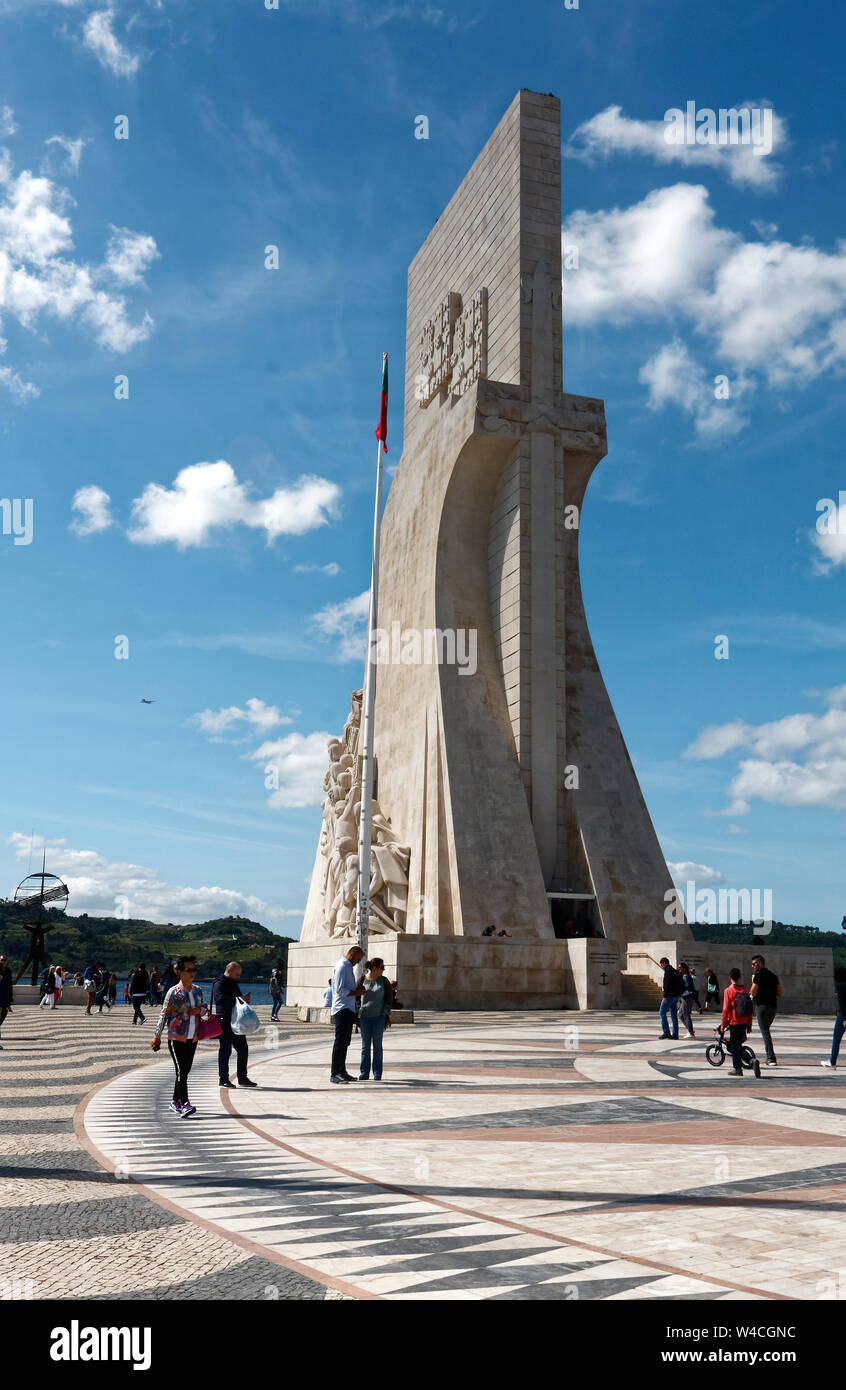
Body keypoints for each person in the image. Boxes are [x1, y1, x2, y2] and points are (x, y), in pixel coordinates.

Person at [150, 955, 206, 1117]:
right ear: (180, 972)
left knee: (185, 1071)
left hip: (192, 1038)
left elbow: (205, 1014)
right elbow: (163, 1015)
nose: (192, 973)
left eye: (194, 970)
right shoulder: (173, 992)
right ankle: (185, 1103)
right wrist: (157, 1036)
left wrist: (200, 1011)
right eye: (189, 970)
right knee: (182, 1071)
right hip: (176, 1038)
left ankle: (175, 1101)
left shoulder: (198, 991)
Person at [212, 961, 257, 1089]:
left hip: (236, 1021)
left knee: (243, 1049)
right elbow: (219, 999)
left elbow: (237, 999)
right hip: (224, 1021)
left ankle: (242, 1077)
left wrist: (244, 1000)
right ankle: (223, 1079)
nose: (238, 977)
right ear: (229, 971)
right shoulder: (219, 983)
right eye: (237, 974)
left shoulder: (233, 983)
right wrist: (240, 999)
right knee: (225, 1050)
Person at [330, 945, 365, 1084]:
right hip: (342, 1008)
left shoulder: (347, 967)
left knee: (345, 1042)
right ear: (352, 954)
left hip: (348, 1008)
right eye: (358, 959)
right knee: (340, 1042)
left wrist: (356, 990)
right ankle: (335, 1073)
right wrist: (357, 993)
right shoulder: (342, 967)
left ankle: (342, 1070)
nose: (358, 961)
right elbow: (339, 989)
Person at [358, 958, 392, 1081]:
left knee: (377, 1046)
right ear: (374, 968)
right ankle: (364, 1072)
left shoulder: (384, 981)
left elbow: (389, 997)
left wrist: (385, 1011)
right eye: (381, 967)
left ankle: (377, 1073)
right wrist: (358, 1010)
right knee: (365, 1046)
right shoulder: (362, 979)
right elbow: (356, 996)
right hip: (364, 1017)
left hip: (379, 1017)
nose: (383, 970)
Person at [719, 967, 754, 1078]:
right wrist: (749, 1024)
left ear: (729, 977)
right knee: (737, 1045)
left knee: (735, 1046)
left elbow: (725, 1010)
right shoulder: (744, 991)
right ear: (739, 977)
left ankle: (750, 1060)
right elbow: (749, 1009)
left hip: (734, 1022)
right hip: (743, 1022)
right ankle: (738, 1069)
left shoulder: (728, 991)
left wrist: (723, 1025)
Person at [750, 954, 781, 1066]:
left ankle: (771, 1058)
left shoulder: (757, 976)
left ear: (760, 963)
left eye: (754, 964)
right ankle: (770, 1056)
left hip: (761, 1006)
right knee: (766, 1030)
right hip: (773, 1007)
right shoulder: (773, 976)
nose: (752, 966)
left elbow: (753, 992)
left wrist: (753, 982)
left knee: (765, 1032)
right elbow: (779, 993)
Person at [822, 966, 846, 1069]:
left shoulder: (840, 986)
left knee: (836, 1039)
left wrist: (845, 1018)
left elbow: (843, 1004)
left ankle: (832, 1062)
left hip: (843, 1015)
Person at [657, 956, 683, 1039]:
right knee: (673, 1015)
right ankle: (675, 1034)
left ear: (664, 963)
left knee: (662, 1012)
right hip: (676, 996)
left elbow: (667, 984)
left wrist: (665, 996)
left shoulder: (668, 971)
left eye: (661, 964)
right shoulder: (675, 971)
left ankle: (666, 1032)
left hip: (669, 996)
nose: (661, 966)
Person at [677, 962, 697, 1039]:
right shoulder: (685, 976)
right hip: (685, 997)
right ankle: (690, 1030)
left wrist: (680, 988)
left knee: (686, 1014)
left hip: (687, 997)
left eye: (680, 968)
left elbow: (687, 986)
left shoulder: (685, 976)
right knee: (680, 1014)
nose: (679, 969)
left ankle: (690, 1032)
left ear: (684, 969)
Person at [0, 954, 13, 1048]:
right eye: (1, 960)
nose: (3, 962)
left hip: (4, 998)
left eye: (4, 960)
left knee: (4, 1014)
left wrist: (9, 1002)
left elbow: (9, 986)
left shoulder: (8, 971)